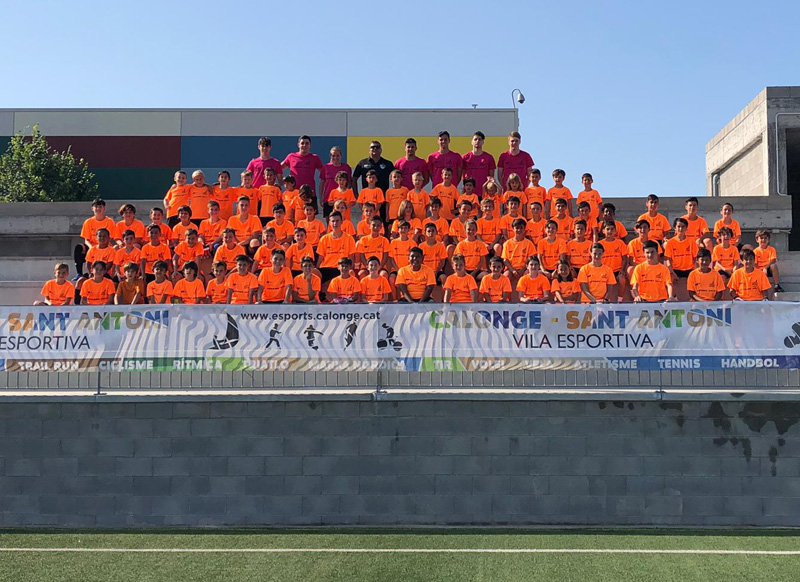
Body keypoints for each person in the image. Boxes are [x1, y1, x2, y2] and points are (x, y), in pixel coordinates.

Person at [76, 198, 117, 277]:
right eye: (96, 207)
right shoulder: (88, 222)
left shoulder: (109, 221)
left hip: (105, 246)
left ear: (104, 208)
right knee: (79, 247)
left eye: (100, 207)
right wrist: (92, 247)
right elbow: (86, 239)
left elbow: (110, 238)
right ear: (92, 208)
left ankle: (108, 272)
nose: (98, 209)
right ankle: (79, 273)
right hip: (91, 246)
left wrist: (101, 246)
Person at [316, 211, 356, 290]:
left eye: (337, 221)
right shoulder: (324, 239)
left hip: (341, 268)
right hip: (326, 268)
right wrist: (317, 268)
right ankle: (317, 298)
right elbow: (320, 258)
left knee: (351, 273)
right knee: (314, 273)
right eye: (333, 221)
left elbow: (351, 258)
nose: (335, 223)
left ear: (341, 222)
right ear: (329, 223)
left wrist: (351, 268)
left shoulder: (349, 238)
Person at [664, 217, 695, 300]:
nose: (681, 229)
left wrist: (694, 271)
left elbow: (695, 258)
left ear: (686, 228)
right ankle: (672, 297)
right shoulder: (670, 242)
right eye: (679, 226)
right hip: (676, 270)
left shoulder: (691, 241)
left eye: (683, 226)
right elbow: (668, 260)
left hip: (689, 269)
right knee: (669, 277)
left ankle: (694, 298)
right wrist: (672, 272)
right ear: (675, 228)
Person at [598, 221, 628, 301]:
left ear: (615, 231)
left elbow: (625, 258)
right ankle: (603, 300)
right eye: (607, 229)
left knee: (622, 280)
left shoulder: (620, 243)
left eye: (612, 229)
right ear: (603, 231)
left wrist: (622, 270)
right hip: (604, 271)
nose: (610, 231)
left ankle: (619, 300)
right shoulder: (599, 244)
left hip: (617, 270)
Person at [319, 146, 352, 218]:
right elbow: (322, 183)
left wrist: (345, 193)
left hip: (342, 201)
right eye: (333, 155)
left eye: (338, 155)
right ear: (330, 156)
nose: (335, 158)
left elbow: (349, 183)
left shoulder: (346, 167)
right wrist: (321, 197)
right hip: (328, 199)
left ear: (341, 156)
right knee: (330, 223)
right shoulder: (326, 167)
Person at [502, 218, 536, 285]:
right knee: (506, 276)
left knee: (529, 274)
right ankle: (505, 295)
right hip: (511, 269)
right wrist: (513, 270)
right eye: (517, 228)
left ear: (524, 229)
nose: (519, 230)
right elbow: (505, 260)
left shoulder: (529, 243)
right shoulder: (507, 243)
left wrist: (522, 270)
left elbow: (531, 259)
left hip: (525, 268)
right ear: (513, 229)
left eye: (521, 228)